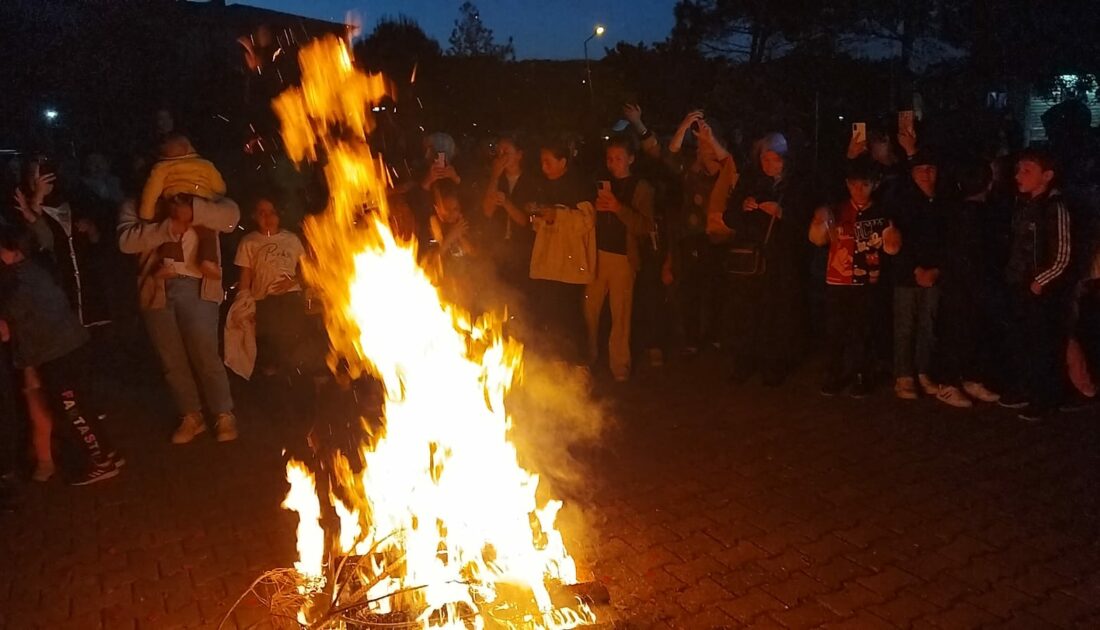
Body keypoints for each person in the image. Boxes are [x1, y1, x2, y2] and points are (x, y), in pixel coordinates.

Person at [0, 224, 121, 485]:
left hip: (57, 353)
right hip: (71, 345)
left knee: (72, 409)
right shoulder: (35, 269)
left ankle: (102, 462)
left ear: (14, 250)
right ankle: (107, 451)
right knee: (82, 405)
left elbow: (8, 327)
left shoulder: (17, 281)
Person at [118, 190, 241, 443]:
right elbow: (126, 242)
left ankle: (223, 412)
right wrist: (167, 227)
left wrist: (195, 210)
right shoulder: (139, 203)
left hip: (197, 285)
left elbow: (231, 219)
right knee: (171, 357)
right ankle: (191, 415)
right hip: (156, 286)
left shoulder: (206, 196)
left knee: (205, 352)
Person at [717, 133, 806, 386]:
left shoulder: (795, 186)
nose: (768, 165)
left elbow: (803, 223)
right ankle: (744, 362)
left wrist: (782, 213)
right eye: (764, 159)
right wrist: (742, 207)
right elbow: (729, 216)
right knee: (745, 313)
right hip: (750, 261)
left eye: (774, 160)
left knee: (776, 315)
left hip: (780, 264)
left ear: (785, 161)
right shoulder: (750, 182)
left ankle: (773, 364)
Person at [810, 158, 901, 397]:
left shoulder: (881, 213)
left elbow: (892, 247)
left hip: (867, 282)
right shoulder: (837, 210)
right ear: (847, 185)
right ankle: (834, 373)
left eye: (865, 185)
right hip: (838, 281)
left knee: (863, 329)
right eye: (854, 185)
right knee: (835, 329)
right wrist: (820, 222)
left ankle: (862, 374)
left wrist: (892, 238)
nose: (859, 190)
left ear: (874, 185)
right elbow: (817, 238)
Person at [1002, 149, 1073, 421]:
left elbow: (1063, 253)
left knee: (1043, 343)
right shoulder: (1023, 205)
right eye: (1019, 170)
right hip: (1019, 283)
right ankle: (1026, 388)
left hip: (1041, 290)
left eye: (1027, 171)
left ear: (1047, 176)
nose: (1018, 176)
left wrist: (1040, 281)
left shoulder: (1055, 208)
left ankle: (1045, 397)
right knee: (1023, 340)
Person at [931, 161, 1002, 408]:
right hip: (963, 284)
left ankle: (971, 378)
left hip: (975, 283)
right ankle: (948, 383)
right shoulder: (966, 213)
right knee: (958, 332)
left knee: (974, 331)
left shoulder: (979, 212)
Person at [584, 140, 655, 382]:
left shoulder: (641, 187)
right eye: (610, 159)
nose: (613, 163)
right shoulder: (602, 184)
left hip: (624, 258)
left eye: (618, 158)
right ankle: (588, 359)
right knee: (589, 309)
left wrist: (618, 208)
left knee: (621, 314)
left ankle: (620, 366)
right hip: (597, 255)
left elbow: (645, 225)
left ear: (631, 159)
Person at [528, 139, 595, 365]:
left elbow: (586, 221)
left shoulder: (578, 186)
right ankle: (553, 367)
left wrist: (558, 215)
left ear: (563, 162)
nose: (544, 167)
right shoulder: (542, 185)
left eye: (548, 162)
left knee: (571, 317)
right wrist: (538, 217)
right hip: (548, 263)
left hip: (570, 264)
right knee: (549, 315)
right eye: (541, 162)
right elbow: (540, 223)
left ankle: (577, 365)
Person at [891, 150, 947, 400]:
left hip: (934, 274)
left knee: (929, 324)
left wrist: (936, 270)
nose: (926, 174)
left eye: (930, 168)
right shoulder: (902, 202)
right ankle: (903, 374)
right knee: (905, 325)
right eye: (920, 169)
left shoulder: (944, 202)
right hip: (907, 275)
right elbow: (897, 241)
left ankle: (923, 371)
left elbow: (950, 241)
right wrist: (916, 269)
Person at [234, 198, 307, 377]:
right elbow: (245, 279)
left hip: (291, 299)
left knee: (292, 346)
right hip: (264, 302)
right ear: (254, 217)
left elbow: (307, 270)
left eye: (272, 212)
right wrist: (244, 306)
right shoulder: (249, 242)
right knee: (269, 350)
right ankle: (272, 387)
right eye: (262, 213)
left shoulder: (291, 239)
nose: (268, 217)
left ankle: (294, 383)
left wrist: (293, 280)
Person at [138, 134, 226, 279]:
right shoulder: (205, 165)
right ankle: (208, 261)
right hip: (200, 204)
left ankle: (168, 264)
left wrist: (146, 214)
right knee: (208, 232)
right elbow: (220, 187)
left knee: (172, 230)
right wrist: (215, 200)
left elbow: (151, 191)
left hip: (176, 201)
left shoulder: (162, 167)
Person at [481, 135, 538, 300]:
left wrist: (506, 203)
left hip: (522, 250)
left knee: (520, 299)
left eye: (506, 151)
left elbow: (525, 221)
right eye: (499, 152)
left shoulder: (531, 181)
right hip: (498, 248)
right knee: (497, 298)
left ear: (519, 155)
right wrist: (494, 176)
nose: (502, 156)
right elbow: (487, 211)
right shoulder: (496, 180)